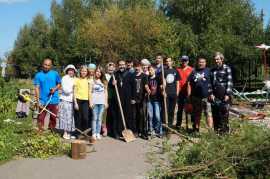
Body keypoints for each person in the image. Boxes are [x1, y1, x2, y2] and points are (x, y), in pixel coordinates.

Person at [33, 58, 61, 132]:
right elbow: (37, 88)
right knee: (41, 117)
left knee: (53, 117)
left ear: (51, 66)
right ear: (42, 64)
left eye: (48, 65)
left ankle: (51, 131)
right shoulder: (38, 75)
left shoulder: (55, 74)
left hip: (53, 99)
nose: (46, 66)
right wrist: (38, 101)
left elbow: (59, 84)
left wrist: (54, 89)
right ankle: (40, 131)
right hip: (43, 100)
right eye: (45, 64)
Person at [209, 52, 233, 134]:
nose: (216, 61)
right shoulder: (212, 70)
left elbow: (230, 82)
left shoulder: (227, 68)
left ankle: (225, 132)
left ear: (222, 59)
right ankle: (217, 132)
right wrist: (211, 93)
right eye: (215, 59)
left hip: (224, 94)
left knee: (224, 113)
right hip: (215, 95)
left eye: (218, 59)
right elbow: (210, 83)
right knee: (215, 114)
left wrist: (227, 94)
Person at [187, 58, 213, 132]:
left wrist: (212, 93)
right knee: (197, 114)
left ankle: (210, 131)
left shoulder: (209, 71)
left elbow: (213, 82)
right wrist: (189, 95)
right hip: (196, 97)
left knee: (208, 113)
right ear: (197, 63)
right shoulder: (194, 71)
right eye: (200, 62)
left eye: (203, 62)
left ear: (205, 63)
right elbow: (189, 83)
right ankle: (196, 129)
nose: (201, 63)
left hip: (206, 96)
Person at [108, 60, 130, 139]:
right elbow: (109, 85)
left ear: (125, 65)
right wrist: (112, 83)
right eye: (120, 65)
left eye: (123, 65)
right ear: (118, 66)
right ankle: (115, 133)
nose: (122, 66)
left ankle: (122, 132)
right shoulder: (115, 74)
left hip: (126, 99)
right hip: (116, 99)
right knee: (116, 117)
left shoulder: (128, 74)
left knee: (124, 116)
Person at [130, 61, 150, 139]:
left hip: (142, 99)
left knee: (142, 116)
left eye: (138, 66)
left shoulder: (144, 76)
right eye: (136, 67)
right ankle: (136, 132)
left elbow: (145, 85)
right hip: (133, 100)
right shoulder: (132, 76)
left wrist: (148, 90)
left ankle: (143, 132)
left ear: (141, 67)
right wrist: (131, 98)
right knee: (135, 116)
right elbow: (130, 88)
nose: (137, 68)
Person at [57, 64, 77, 139]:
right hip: (65, 100)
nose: (71, 71)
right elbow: (66, 90)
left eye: (72, 70)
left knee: (70, 117)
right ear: (67, 71)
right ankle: (65, 132)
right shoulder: (64, 78)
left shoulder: (74, 78)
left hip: (72, 100)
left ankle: (69, 132)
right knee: (65, 117)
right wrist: (73, 88)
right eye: (70, 70)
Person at [90, 66, 108, 140]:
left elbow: (106, 92)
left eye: (100, 72)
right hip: (94, 102)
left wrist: (106, 102)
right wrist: (90, 102)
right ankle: (93, 133)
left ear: (102, 73)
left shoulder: (104, 82)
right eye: (97, 71)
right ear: (95, 72)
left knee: (100, 118)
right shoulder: (92, 81)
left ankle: (98, 133)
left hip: (102, 103)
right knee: (94, 118)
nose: (98, 73)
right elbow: (90, 92)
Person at [162, 57, 180, 128]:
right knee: (165, 111)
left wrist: (177, 92)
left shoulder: (175, 71)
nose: (168, 62)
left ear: (172, 62)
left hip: (174, 93)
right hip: (166, 94)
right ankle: (165, 126)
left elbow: (178, 82)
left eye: (169, 61)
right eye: (166, 61)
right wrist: (164, 91)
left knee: (171, 111)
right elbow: (164, 82)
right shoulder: (164, 71)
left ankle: (170, 126)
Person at [176, 55, 193, 129]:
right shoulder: (178, 70)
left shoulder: (192, 70)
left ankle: (190, 126)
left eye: (185, 60)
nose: (184, 62)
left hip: (188, 93)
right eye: (183, 60)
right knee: (180, 110)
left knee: (189, 110)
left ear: (188, 61)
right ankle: (178, 124)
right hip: (180, 92)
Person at [73, 66, 90, 138]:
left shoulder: (88, 80)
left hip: (86, 100)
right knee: (78, 118)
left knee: (85, 117)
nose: (84, 72)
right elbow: (74, 91)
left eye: (85, 71)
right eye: (82, 71)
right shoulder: (76, 80)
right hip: (78, 100)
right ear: (80, 72)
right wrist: (75, 103)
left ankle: (84, 133)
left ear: (87, 72)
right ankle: (77, 133)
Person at [147, 65, 163, 137]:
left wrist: (163, 88)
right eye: (149, 70)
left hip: (157, 100)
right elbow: (145, 86)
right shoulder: (147, 78)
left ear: (155, 70)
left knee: (157, 116)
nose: (150, 71)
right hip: (149, 100)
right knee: (150, 116)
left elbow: (162, 85)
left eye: (151, 70)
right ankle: (151, 130)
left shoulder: (158, 78)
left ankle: (159, 130)